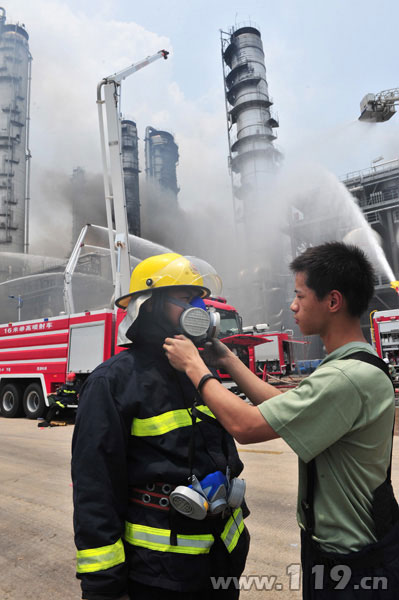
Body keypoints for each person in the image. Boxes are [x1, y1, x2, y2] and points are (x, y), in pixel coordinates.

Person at [164, 242, 399, 599]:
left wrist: (194, 366)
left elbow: (246, 426)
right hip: (350, 546)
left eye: (300, 295)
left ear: (332, 301)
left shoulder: (345, 378)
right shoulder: (355, 365)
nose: (292, 305)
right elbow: (283, 405)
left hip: (351, 559)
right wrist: (227, 360)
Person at [71, 253, 250, 600]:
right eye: (186, 299)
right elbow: (96, 491)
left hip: (221, 565)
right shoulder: (114, 382)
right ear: (150, 306)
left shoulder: (196, 372)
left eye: (200, 298)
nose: (201, 307)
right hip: (159, 575)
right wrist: (104, 587)